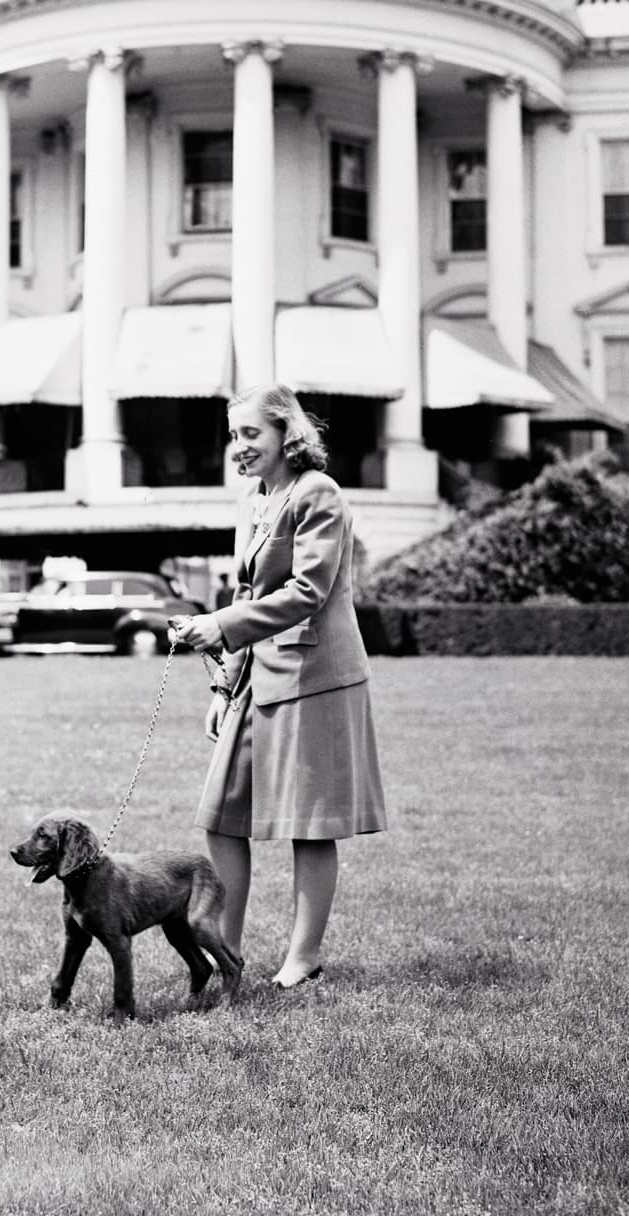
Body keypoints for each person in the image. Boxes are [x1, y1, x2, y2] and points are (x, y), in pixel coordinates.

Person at [171, 383, 387, 990]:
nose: (238, 447)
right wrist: (222, 687)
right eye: (232, 435)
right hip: (257, 676)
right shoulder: (253, 500)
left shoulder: (317, 493)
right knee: (221, 816)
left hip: (316, 678)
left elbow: (307, 593)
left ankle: (303, 958)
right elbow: (248, 595)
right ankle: (225, 949)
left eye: (250, 435)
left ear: (285, 435)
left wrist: (218, 625)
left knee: (307, 823)